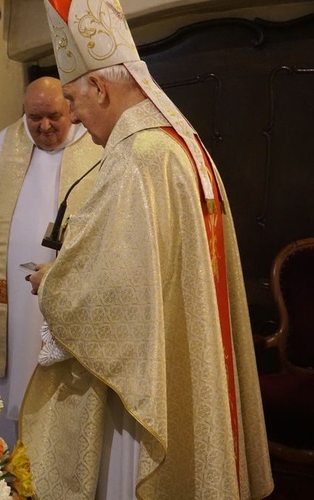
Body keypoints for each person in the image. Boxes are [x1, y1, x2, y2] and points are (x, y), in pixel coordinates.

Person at [20, 1, 274, 498]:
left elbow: (112, 295)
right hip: (176, 357)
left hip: (140, 391)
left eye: (74, 98)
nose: (73, 116)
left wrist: (51, 280)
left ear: (100, 86)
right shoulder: (181, 144)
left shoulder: (137, 158)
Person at [0, 76, 102, 444]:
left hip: (62, 295)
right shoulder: (3, 148)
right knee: (2, 382)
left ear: (70, 109)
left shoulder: (95, 149)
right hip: (5, 295)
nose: (44, 126)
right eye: (34, 117)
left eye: (53, 116)